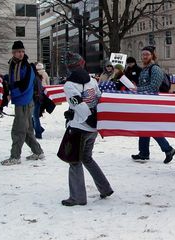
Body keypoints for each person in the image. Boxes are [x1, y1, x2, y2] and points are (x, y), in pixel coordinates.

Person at [61, 52, 113, 206]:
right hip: (93, 127)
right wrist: (95, 118)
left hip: (80, 127)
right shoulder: (91, 80)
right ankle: (105, 188)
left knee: (74, 161)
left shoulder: (69, 85)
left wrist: (86, 117)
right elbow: (98, 98)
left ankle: (77, 197)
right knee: (87, 158)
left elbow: (78, 103)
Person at [1, 41, 44, 166]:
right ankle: (38, 152)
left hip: (24, 101)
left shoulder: (27, 66)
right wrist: (4, 79)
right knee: (28, 129)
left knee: (18, 130)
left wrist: (11, 94)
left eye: (22, 51)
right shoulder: (14, 65)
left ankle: (15, 156)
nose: (20, 54)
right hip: (21, 101)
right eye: (18, 51)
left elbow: (25, 86)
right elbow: (13, 79)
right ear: (13, 53)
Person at [130, 46, 175, 163]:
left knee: (150, 128)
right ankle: (144, 153)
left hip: (153, 103)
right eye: (143, 54)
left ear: (152, 56)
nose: (144, 56)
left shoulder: (155, 69)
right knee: (144, 127)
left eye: (147, 54)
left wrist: (137, 89)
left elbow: (153, 87)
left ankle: (168, 149)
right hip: (145, 103)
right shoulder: (145, 69)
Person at [31, 64, 45, 139]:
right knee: (33, 117)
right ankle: (39, 129)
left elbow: (35, 89)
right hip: (37, 99)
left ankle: (38, 132)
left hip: (35, 99)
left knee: (34, 117)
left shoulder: (34, 78)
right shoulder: (37, 77)